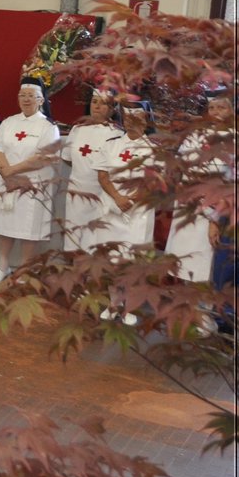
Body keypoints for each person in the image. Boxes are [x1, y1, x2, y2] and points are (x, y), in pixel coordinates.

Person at [0, 78, 62, 284]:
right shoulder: (9, 122)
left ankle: (24, 269)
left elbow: (43, 158)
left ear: (41, 99)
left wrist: (12, 170)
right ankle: (3, 266)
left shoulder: (48, 126)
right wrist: (5, 170)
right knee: (5, 225)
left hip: (31, 185)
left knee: (28, 229)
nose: (26, 100)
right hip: (6, 182)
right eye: (22, 95)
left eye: (31, 96)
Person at [93, 101, 158, 325]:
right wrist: (118, 198)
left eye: (136, 117)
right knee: (112, 258)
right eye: (127, 117)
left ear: (146, 120)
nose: (131, 121)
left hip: (138, 212)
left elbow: (153, 182)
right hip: (112, 208)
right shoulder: (110, 145)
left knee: (132, 261)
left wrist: (131, 200)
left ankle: (131, 306)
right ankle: (114, 302)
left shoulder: (153, 149)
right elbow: (102, 175)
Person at [165, 90, 233, 283]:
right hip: (190, 204)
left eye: (221, 107)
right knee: (185, 262)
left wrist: (215, 216)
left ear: (231, 111)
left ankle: (205, 310)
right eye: (212, 107)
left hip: (217, 209)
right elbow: (180, 168)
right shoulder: (195, 135)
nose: (215, 112)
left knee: (209, 264)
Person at [60, 87, 122, 252]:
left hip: (101, 194)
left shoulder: (117, 134)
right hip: (76, 192)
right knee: (73, 236)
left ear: (113, 109)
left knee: (95, 238)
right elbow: (68, 159)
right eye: (94, 102)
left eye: (103, 104)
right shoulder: (77, 129)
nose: (96, 106)